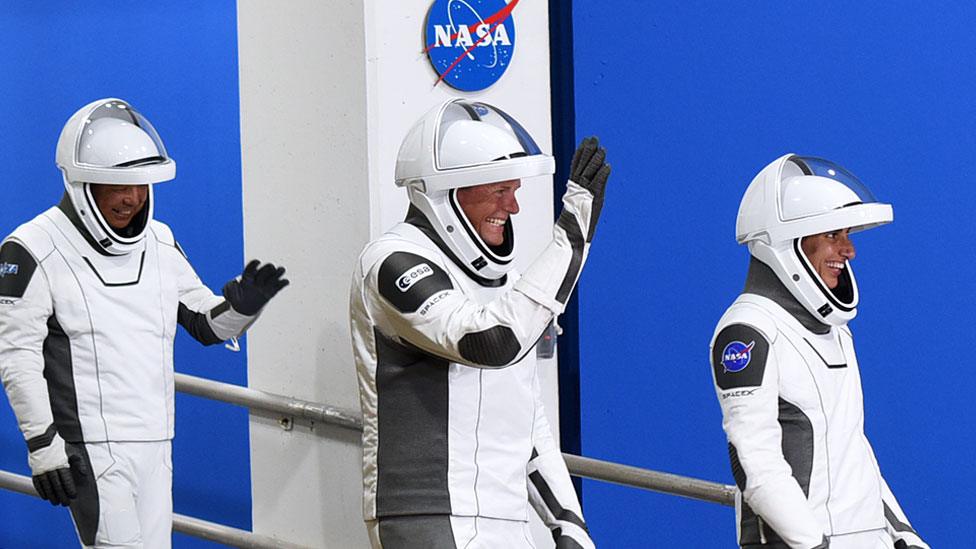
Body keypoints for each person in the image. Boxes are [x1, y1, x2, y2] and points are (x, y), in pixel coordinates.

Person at [0, 98, 288, 548]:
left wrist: (244, 307)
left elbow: (207, 325)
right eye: (118, 185)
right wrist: (44, 446)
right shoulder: (33, 247)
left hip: (156, 438)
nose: (132, 198)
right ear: (81, 184)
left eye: (140, 184)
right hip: (89, 446)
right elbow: (17, 358)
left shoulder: (159, 240)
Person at [349, 99, 610, 549]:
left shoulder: (499, 285)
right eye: (498, 190)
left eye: (514, 189)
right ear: (448, 192)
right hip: (427, 513)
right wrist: (571, 238)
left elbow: (524, 418)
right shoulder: (392, 261)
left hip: (505, 517)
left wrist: (569, 522)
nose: (513, 206)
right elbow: (491, 342)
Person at [709, 154, 928, 549]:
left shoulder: (837, 331)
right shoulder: (748, 330)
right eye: (832, 235)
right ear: (786, 244)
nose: (849, 251)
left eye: (848, 235)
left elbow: (852, 448)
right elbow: (757, 466)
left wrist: (902, 533)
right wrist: (813, 544)